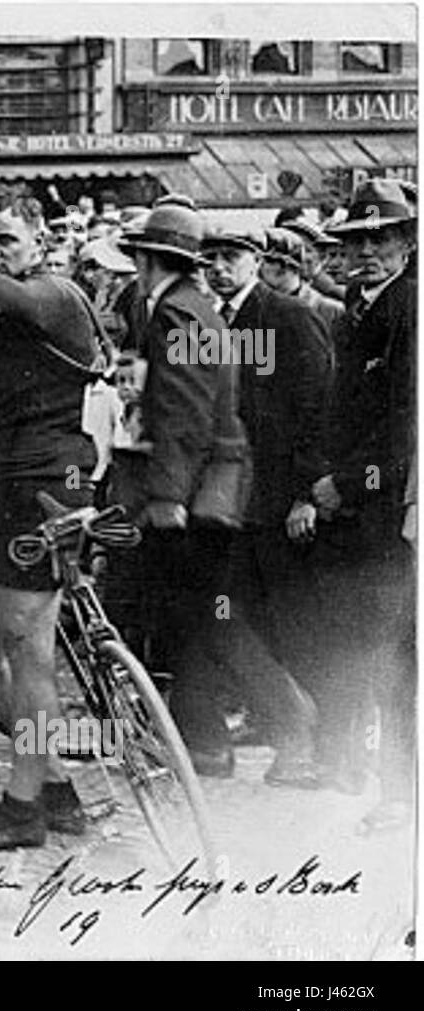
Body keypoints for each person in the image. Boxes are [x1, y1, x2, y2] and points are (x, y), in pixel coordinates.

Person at [0, 186, 105, 852]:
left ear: (40, 236)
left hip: (49, 479)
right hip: (8, 470)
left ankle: (22, 807)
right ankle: (55, 782)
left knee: (29, 651)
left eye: (6, 238)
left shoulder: (55, 293)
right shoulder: (18, 291)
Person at [107, 196, 249, 777]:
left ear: (147, 260)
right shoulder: (196, 309)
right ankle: (204, 740)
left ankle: (207, 746)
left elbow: (185, 417)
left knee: (185, 622)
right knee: (191, 619)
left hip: (190, 496)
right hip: (206, 486)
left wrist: (166, 497)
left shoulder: (176, 314)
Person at [196, 227, 330, 785]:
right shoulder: (206, 321)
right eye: (212, 259)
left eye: (231, 257)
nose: (220, 268)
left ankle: (301, 738)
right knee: (227, 614)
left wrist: (306, 492)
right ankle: (273, 726)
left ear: (255, 260)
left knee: (283, 621)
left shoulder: (288, 316)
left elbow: (320, 404)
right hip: (225, 499)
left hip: (277, 500)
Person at [309, 180, 416, 833]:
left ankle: (403, 794)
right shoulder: (359, 303)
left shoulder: (410, 308)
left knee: (397, 656)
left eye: (382, 239)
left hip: (391, 507)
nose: (368, 252)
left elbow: (408, 421)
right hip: (362, 509)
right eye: (357, 241)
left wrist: (348, 484)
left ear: (407, 242)